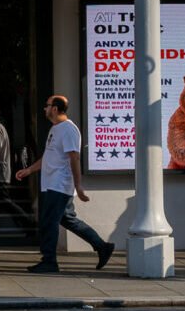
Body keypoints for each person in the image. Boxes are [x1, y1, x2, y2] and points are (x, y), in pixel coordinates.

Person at [16, 93, 114, 274]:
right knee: (68, 220)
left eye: (47, 105)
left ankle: (49, 261)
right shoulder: (55, 129)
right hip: (51, 184)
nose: (44, 109)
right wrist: (29, 170)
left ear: (54, 108)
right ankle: (102, 246)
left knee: (49, 222)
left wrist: (78, 185)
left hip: (59, 185)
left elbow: (74, 157)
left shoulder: (68, 129)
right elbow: (49, 157)